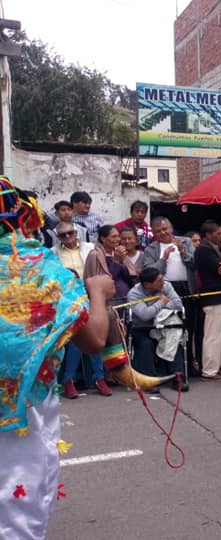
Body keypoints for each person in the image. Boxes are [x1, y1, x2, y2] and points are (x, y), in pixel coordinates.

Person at [0, 178, 114, 539]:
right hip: (21, 410)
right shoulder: (37, 268)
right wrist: (97, 292)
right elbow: (94, 338)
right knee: (17, 509)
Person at [54, 222, 105, 400]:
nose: (67, 238)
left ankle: (99, 378)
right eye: (63, 235)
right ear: (58, 237)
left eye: (70, 233)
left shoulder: (90, 248)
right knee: (76, 338)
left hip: (90, 295)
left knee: (95, 336)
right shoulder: (54, 253)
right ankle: (69, 380)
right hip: (68, 298)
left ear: (76, 233)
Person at [141, 217, 197, 373]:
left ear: (172, 228)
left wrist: (183, 252)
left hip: (186, 288)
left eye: (165, 229)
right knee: (167, 328)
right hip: (164, 291)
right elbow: (148, 272)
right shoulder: (151, 249)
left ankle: (189, 365)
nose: (163, 233)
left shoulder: (185, 241)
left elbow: (194, 264)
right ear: (154, 233)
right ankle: (167, 367)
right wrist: (163, 258)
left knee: (188, 328)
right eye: (158, 231)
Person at [127, 267, 189, 392]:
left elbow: (178, 304)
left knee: (174, 337)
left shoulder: (166, 286)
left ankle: (178, 377)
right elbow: (144, 315)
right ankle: (149, 381)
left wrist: (154, 306)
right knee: (146, 343)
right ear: (148, 284)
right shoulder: (134, 294)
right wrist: (160, 302)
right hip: (142, 327)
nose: (163, 282)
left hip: (163, 323)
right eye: (159, 280)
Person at [194, 221, 221, 381]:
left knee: (219, 334)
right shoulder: (204, 250)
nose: (220, 236)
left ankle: (215, 366)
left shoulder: (214, 248)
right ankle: (209, 370)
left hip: (220, 295)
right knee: (213, 335)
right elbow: (220, 269)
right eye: (217, 233)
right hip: (213, 295)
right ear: (208, 234)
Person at [84, 225, 138, 303]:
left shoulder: (119, 252)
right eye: (114, 237)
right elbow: (103, 282)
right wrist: (116, 261)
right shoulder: (95, 255)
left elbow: (130, 276)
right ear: (103, 238)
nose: (118, 239)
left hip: (126, 297)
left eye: (118, 236)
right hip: (108, 301)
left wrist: (121, 261)